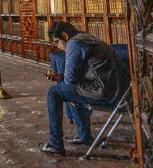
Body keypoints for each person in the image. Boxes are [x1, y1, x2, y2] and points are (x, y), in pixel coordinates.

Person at [39, 21, 130, 156]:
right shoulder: (85, 37)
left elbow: (71, 80)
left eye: (58, 42)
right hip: (121, 91)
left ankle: (55, 144)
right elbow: (80, 76)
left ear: (65, 35)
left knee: (53, 92)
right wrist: (62, 78)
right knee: (70, 87)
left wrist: (69, 91)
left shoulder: (74, 44)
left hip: (106, 93)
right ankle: (84, 136)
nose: (59, 46)